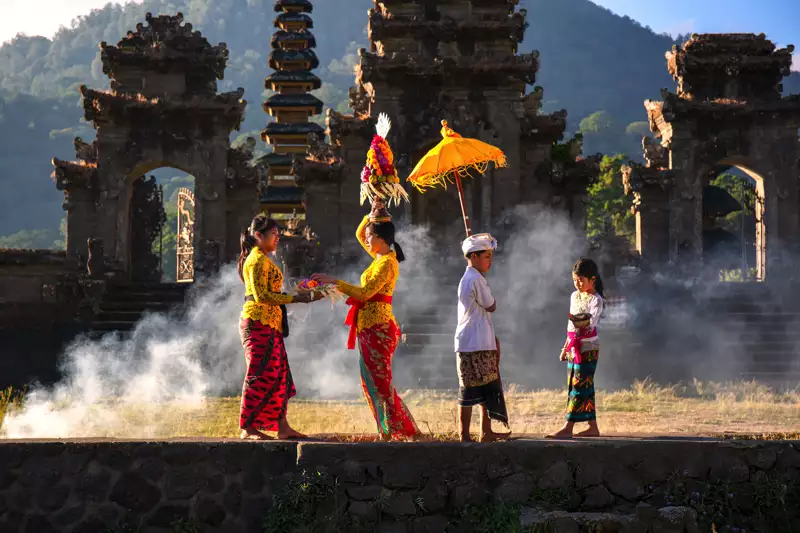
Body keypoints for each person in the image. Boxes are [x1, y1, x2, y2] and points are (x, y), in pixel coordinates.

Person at [312, 199, 420, 441]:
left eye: (371, 236)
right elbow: (360, 233)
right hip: (369, 326)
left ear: (381, 239)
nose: (366, 241)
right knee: (370, 381)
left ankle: (395, 430)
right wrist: (371, 213)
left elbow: (364, 293)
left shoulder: (387, 264)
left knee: (380, 382)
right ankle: (387, 429)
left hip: (379, 327)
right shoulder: (379, 257)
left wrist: (334, 281)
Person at [238, 214, 323, 440]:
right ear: (258, 236)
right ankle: (247, 427)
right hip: (257, 322)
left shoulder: (264, 259)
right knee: (259, 373)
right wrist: (296, 299)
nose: (277, 239)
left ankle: (282, 427)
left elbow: (273, 294)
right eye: (274, 234)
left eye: (278, 234)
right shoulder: (256, 260)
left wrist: (299, 295)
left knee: (279, 375)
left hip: (270, 323)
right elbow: (262, 295)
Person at [455, 233, 510, 442]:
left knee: (486, 387)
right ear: (474, 256)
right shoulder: (475, 279)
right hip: (473, 342)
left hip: (479, 339)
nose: (490, 260)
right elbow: (491, 305)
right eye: (486, 256)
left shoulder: (473, 278)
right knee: (469, 390)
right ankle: (465, 435)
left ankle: (484, 432)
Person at [547, 258, 605, 439]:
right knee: (582, 385)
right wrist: (565, 348)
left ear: (592, 280)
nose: (578, 284)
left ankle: (568, 427)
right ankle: (592, 427)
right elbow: (570, 326)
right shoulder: (574, 296)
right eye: (575, 280)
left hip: (588, 348)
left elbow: (590, 323)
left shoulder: (596, 300)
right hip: (574, 347)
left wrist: (581, 325)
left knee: (578, 386)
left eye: (581, 280)